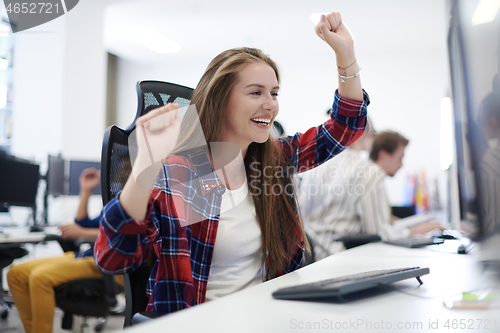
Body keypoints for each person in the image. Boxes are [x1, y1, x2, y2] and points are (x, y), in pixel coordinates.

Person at [95, 11, 369, 315]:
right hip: (200, 322)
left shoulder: (271, 162)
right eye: (256, 92)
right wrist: (146, 163)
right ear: (221, 99)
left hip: (267, 315)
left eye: (274, 93)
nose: (271, 105)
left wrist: (346, 52)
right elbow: (113, 257)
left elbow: (346, 128)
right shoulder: (182, 175)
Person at [300, 131, 444, 260]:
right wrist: (416, 231)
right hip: (336, 255)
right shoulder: (369, 171)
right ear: (363, 133)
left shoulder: (317, 166)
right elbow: (377, 231)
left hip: (308, 253)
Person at [6, 168, 119, 333]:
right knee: (15, 274)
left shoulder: (138, 199)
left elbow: (124, 234)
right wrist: (86, 190)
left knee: (40, 277)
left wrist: (82, 233)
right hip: (88, 256)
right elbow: (83, 223)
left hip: (110, 264)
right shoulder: (116, 201)